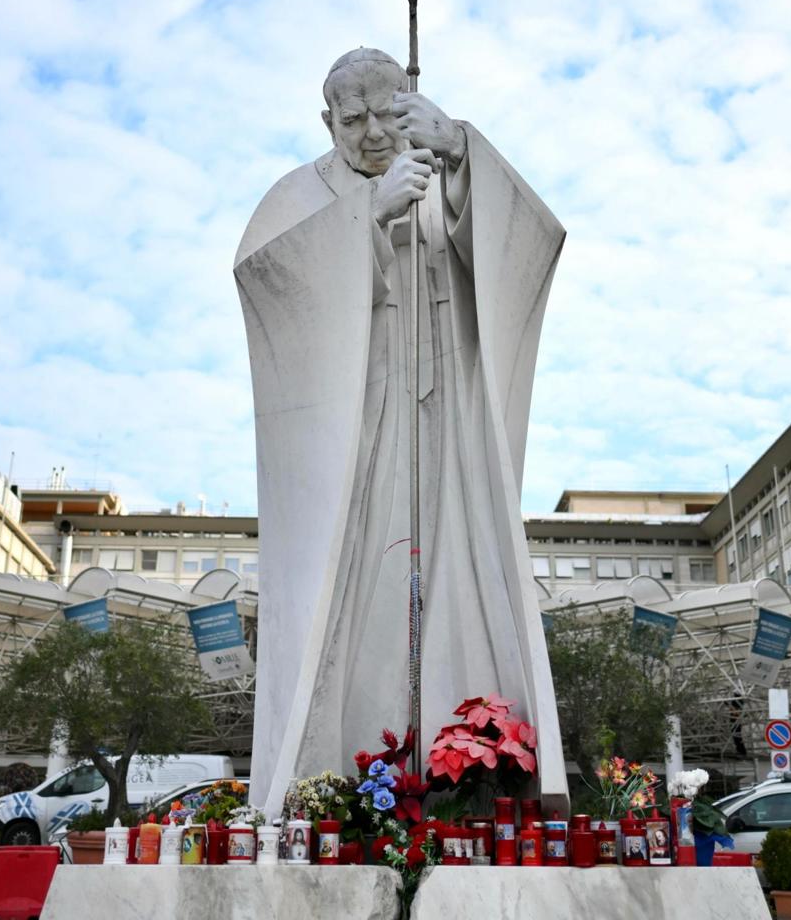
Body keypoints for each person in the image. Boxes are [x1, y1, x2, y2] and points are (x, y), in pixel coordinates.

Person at [236, 47, 567, 813]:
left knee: (461, 568)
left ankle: (472, 779)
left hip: (444, 422)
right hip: (352, 433)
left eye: (389, 113)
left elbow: (532, 246)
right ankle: (330, 789)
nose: (374, 133)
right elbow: (266, 284)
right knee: (352, 595)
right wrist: (366, 220)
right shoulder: (298, 196)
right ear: (328, 122)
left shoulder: (440, 164)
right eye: (354, 120)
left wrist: (463, 157)